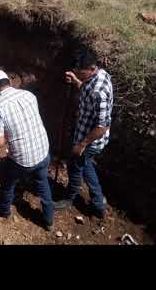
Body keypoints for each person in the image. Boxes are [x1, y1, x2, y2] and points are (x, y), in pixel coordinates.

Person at [0, 70, 54, 231]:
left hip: (23, 160)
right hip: (44, 151)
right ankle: (48, 219)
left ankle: (3, 210)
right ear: (9, 82)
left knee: (7, 180)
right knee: (42, 181)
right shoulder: (28, 95)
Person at [54, 46, 113, 219]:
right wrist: (76, 81)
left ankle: (69, 198)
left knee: (75, 165)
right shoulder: (97, 76)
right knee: (86, 166)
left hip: (90, 140)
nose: (78, 74)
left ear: (91, 69)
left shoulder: (99, 92)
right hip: (83, 131)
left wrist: (81, 144)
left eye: (80, 72)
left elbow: (102, 126)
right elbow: (87, 92)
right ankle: (98, 203)